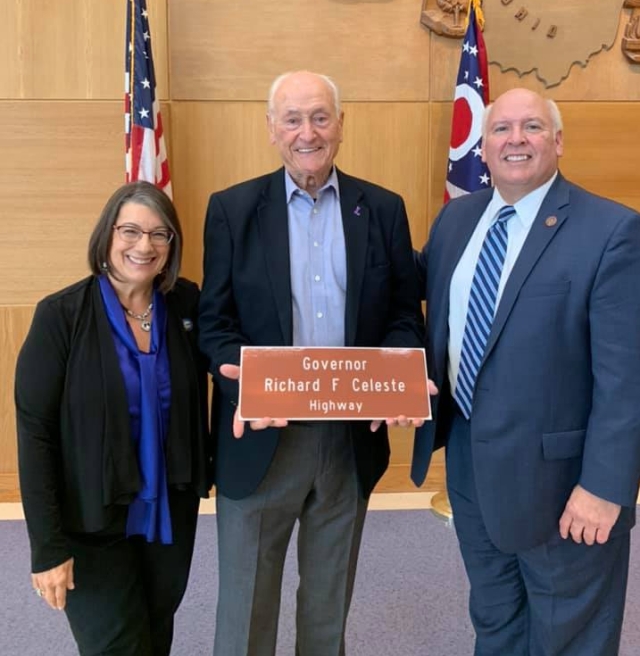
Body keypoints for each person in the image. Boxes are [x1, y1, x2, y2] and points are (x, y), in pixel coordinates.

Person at [198, 70, 424, 656]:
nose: (308, 132)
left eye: (320, 117)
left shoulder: (383, 209)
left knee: (328, 611)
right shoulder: (232, 209)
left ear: (341, 125)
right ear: (272, 129)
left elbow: (403, 313)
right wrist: (240, 382)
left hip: (347, 442)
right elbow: (216, 324)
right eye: (293, 119)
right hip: (262, 441)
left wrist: (396, 382)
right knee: (246, 611)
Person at [412, 87, 640, 655]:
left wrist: (605, 487)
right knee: (495, 622)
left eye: (532, 128)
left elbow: (627, 378)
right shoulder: (456, 222)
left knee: (570, 636)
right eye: (501, 129)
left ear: (558, 142)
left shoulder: (612, 232)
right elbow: (412, 316)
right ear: (483, 147)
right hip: (469, 468)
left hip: (565, 487)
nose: (516, 140)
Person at [15, 181, 212, 656]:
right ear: (106, 237)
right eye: (130, 231)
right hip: (90, 522)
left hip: (167, 516)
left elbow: (235, 364)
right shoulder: (61, 316)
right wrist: (47, 548)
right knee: (116, 645)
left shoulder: (186, 305)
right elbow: (34, 433)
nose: (144, 245)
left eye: (159, 234)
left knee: (154, 633)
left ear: (172, 245)